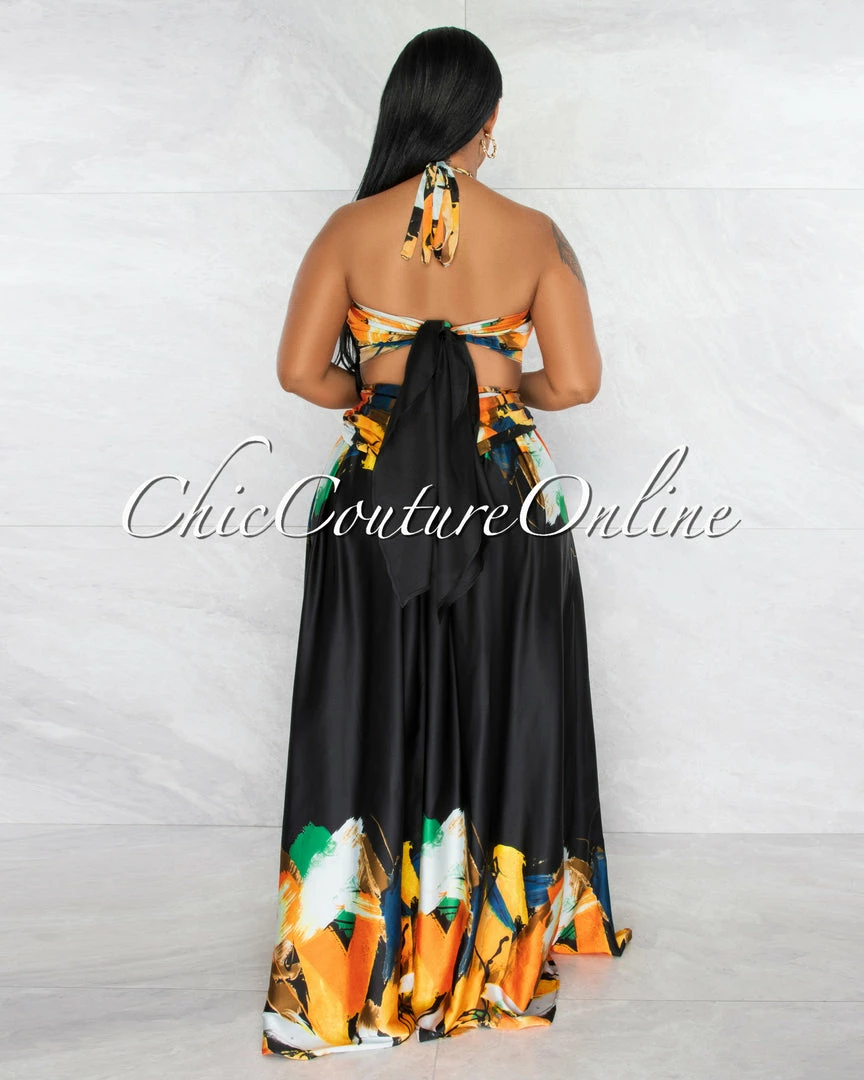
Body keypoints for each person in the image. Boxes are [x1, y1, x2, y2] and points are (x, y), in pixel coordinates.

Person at [261, 25, 632, 1060]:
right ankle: (499, 943)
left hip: (374, 499)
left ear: (404, 109)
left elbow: (300, 372)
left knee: (367, 696)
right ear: (487, 118)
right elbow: (578, 382)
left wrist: (383, 403)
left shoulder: (348, 230)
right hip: (504, 497)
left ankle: (357, 957)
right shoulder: (534, 233)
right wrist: (498, 393)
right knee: (509, 698)